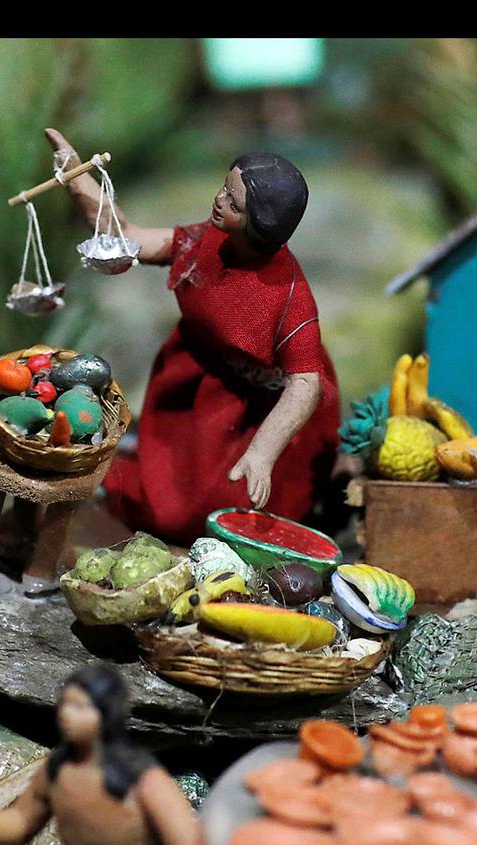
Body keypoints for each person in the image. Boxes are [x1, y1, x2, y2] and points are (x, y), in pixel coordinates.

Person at [44, 129, 340, 546]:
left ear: (262, 223)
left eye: (234, 202)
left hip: (257, 409)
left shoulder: (289, 296)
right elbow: (129, 237)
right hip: (194, 383)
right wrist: (77, 175)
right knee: (167, 500)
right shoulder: (207, 238)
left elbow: (306, 383)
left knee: (227, 516)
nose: (220, 200)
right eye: (224, 188)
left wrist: (261, 452)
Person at [0, 663, 204, 845]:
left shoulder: (141, 775)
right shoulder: (58, 768)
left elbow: (185, 843)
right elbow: (19, 824)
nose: (67, 715)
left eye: (80, 707)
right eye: (65, 705)